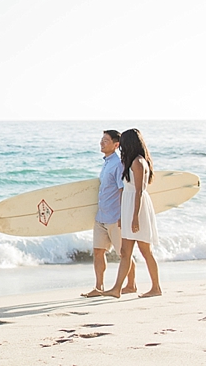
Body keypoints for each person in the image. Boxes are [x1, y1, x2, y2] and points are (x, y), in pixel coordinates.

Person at [102, 128, 162, 298]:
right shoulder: (130, 162)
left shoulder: (138, 162)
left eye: (124, 143)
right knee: (125, 253)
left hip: (138, 209)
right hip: (129, 209)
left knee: (145, 251)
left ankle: (156, 288)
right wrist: (123, 215)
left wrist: (135, 216)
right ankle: (118, 288)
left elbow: (140, 191)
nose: (121, 147)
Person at [81, 130, 136, 297]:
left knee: (123, 254)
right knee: (98, 252)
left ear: (116, 145)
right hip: (101, 217)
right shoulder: (106, 163)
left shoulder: (118, 165)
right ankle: (99, 287)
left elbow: (122, 190)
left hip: (114, 218)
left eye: (105, 140)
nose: (101, 143)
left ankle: (131, 285)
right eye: (101, 139)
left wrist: (122, 216)